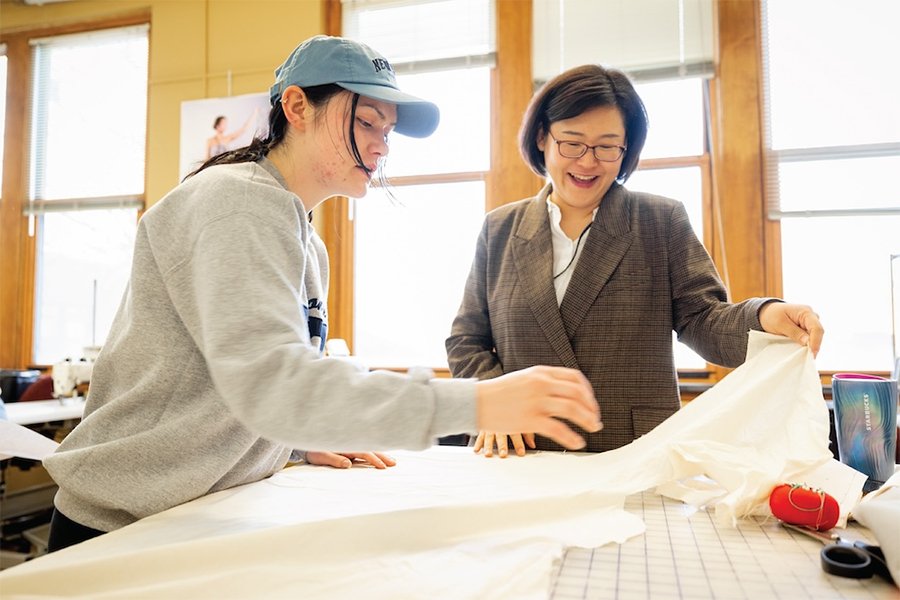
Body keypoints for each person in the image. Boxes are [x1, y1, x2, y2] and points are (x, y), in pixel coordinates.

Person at [42, 36, 601, 552]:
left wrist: (291, 444)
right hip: (117, 526)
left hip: (190, 514)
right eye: (367, 123)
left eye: (388, 131)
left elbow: (236, 383)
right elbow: (277, 385)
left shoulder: (305, 237)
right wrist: (481, 404)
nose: (383, 146)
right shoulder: (235, 201)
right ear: (297, 107)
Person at [446, 64, 824, 458]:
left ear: (627, 149)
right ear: (542, 137)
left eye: (607, 146)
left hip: (632, 451)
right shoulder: (500, 228)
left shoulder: (660, 220)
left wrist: (766, 317)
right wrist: (492, 406)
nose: (588, 162)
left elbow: (704, 319)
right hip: (519, 450)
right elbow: (466, 340)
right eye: (572, 142)